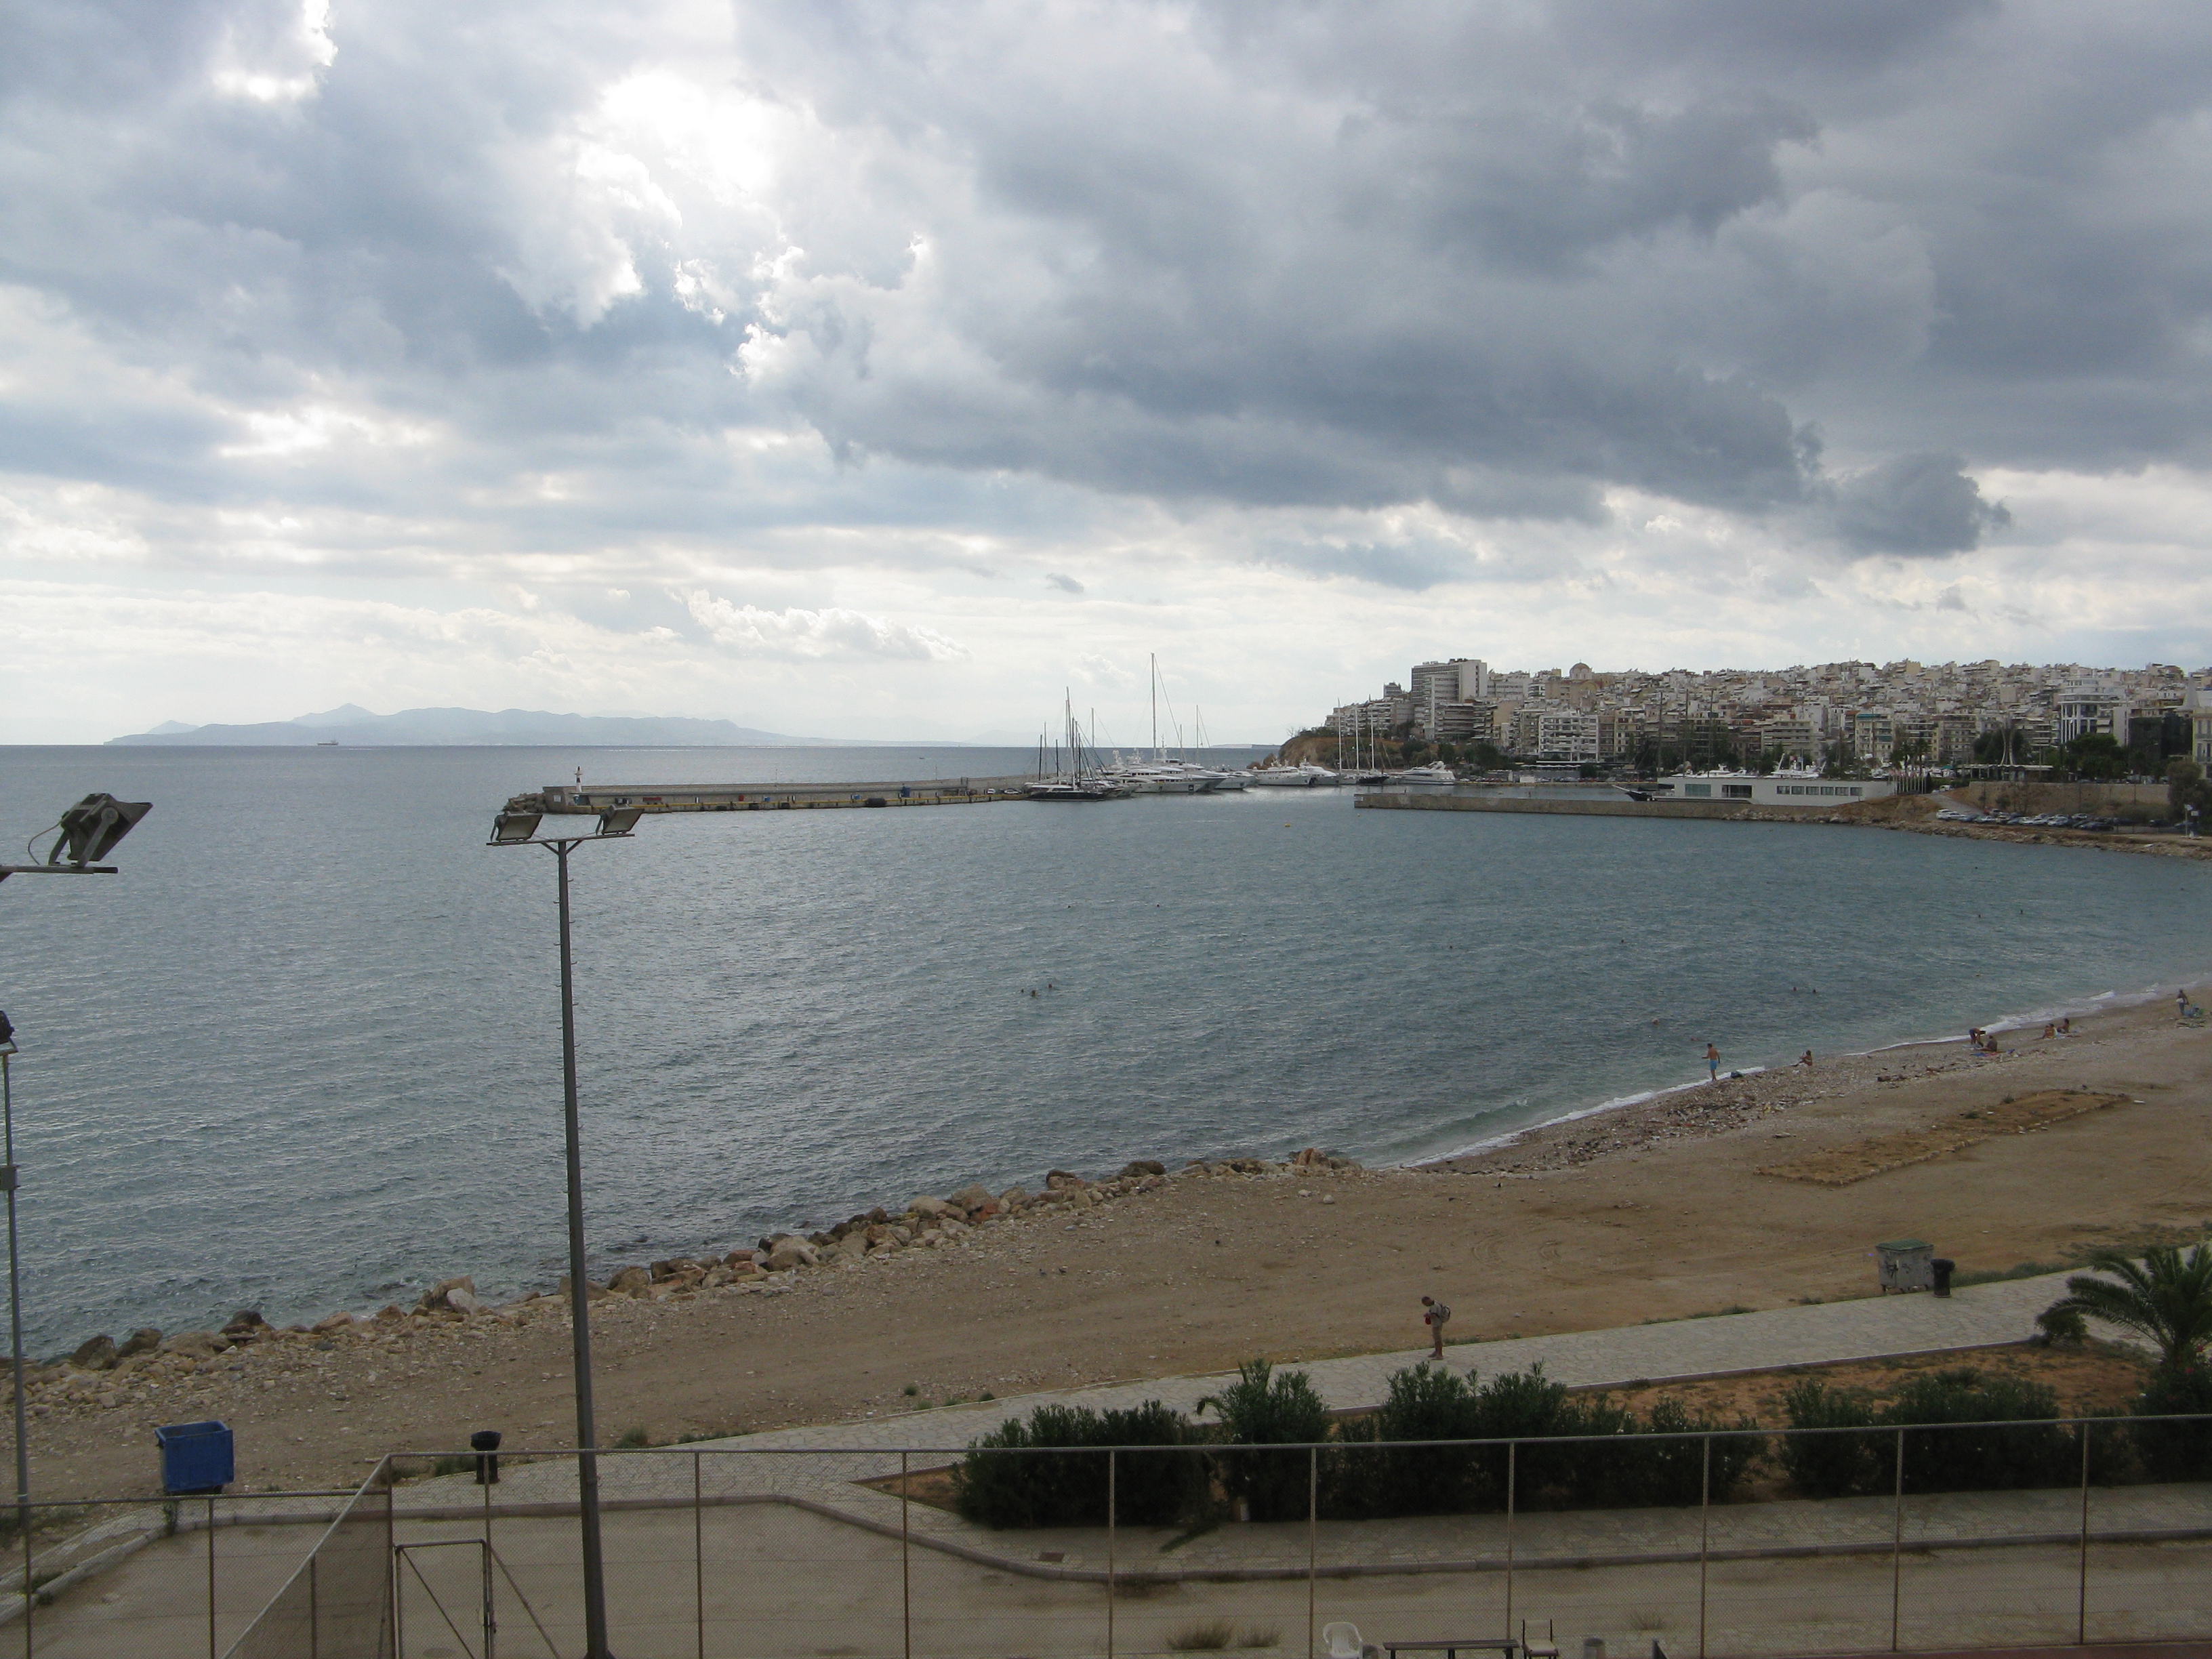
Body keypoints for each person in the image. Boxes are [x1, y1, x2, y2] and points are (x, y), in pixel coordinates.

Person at [1421, 1294, 1451, 1359]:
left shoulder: (1433, 1306)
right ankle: (1436, 1352)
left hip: (1437, 1324)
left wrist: (1428, 1315)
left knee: (1438, 1339)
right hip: (1437, 1323)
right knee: (1436, 1338)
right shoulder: (1436, 1303)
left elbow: (1434, 1315)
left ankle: (1440, 1354)